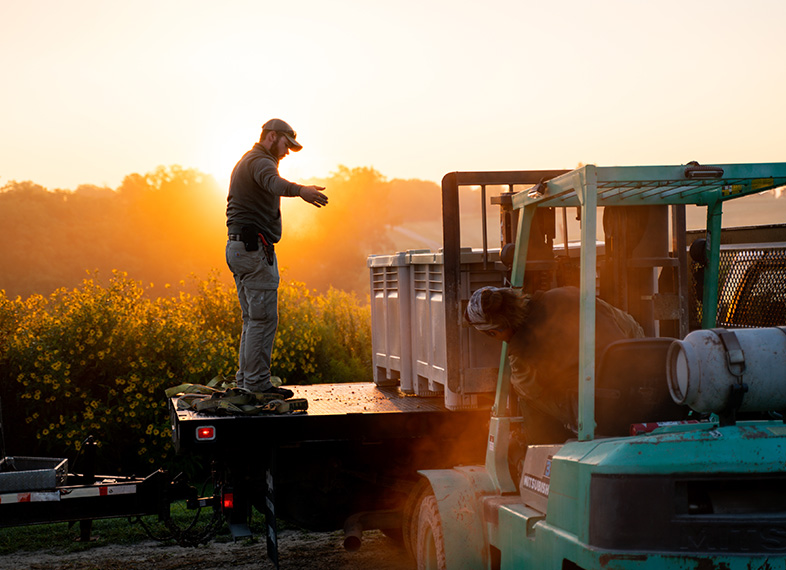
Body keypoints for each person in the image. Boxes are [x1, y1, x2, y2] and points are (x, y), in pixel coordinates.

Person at [226, 118, 328, 397]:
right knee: (263, 319)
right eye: (286, 145)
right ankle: (257, 385)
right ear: (272, 137)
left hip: (239, 249)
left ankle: (247, 382)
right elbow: (273, 183)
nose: (287, 153)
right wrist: (301, 190)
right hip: (253, 251)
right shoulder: (261, 162)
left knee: (253, 319)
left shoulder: (249, 160)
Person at [465, 285, 644, 443]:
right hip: (637, 388)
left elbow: (538, 394)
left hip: (598, 408)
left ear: (494, 332)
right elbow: (631, 326)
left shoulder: (520, 354)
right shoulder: (567, 294)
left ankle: (545, 456)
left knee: (527, 395)